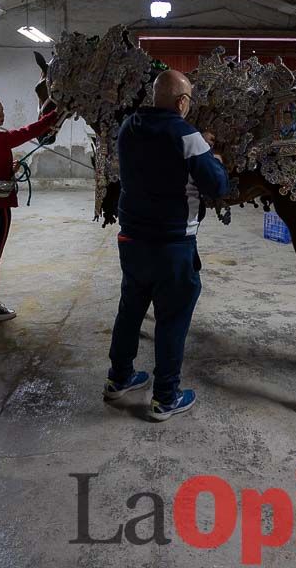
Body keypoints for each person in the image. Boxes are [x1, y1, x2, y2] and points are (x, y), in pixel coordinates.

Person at [104, 70, 230, 421]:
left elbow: (158, 152)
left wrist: (195, 142)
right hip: (172, 245)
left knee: (130, 309)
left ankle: (118, 379)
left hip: (131, 240)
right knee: (172, 320)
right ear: (181, 102)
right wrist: (212, 156)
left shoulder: (129, 126)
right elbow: (217, 186)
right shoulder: (188, 136)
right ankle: (165, 397)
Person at [0, 96, 61, 322]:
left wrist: (9, 168)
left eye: (2, 110)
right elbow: (29, 131)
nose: (2, 115)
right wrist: (57, 114)